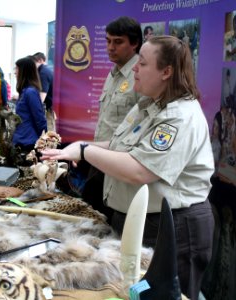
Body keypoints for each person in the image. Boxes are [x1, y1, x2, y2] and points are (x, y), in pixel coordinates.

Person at [42, 36, 215, 300]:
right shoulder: (148, 105)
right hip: (140, 220)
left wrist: (86, 151)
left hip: (172, 227)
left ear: (166, 72)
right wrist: (77, 146)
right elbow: (119, 144)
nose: (134, 68)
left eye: (143, 63)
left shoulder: (179, 117)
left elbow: (140, 170)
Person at [83, 16, 143, 222]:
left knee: (110, 225)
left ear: (134, 43)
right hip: (100, 158)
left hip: (120, 164)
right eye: (108, 41)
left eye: (118, 42)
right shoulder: (114, 74)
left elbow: (143, 125)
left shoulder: (140, 75)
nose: (110, 47)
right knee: (92, 218)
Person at [12, 56, 47, 152]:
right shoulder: (24, 91)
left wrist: (45, 140)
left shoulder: (30, 92)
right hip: (22, 139)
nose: (15, 72)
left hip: (28, 142)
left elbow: (39, 118)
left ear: (24, 71)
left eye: (17, 69)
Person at [33, 52, 55, 131]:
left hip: (51, 106)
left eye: (33, 63)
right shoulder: (46, 70)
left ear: (40, 60)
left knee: (50, 130)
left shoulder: (43, 73)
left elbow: (42, 97)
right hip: (51, 105)